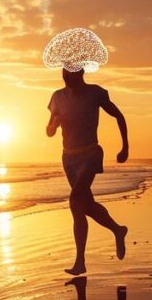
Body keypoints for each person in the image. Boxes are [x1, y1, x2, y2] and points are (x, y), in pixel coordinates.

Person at [46, 67, 129, 276]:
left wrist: (125, 146)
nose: (66, 80)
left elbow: (118, 115)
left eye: (69, 76)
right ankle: (118, 230)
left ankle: (80, 261)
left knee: (75, 201)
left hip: (90, 155)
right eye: (63, 76)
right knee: (86, 205)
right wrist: (54, 124)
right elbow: (48, 132)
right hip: (68, 158)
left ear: (80, 73)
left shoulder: (95, 93)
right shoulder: (57, 97)